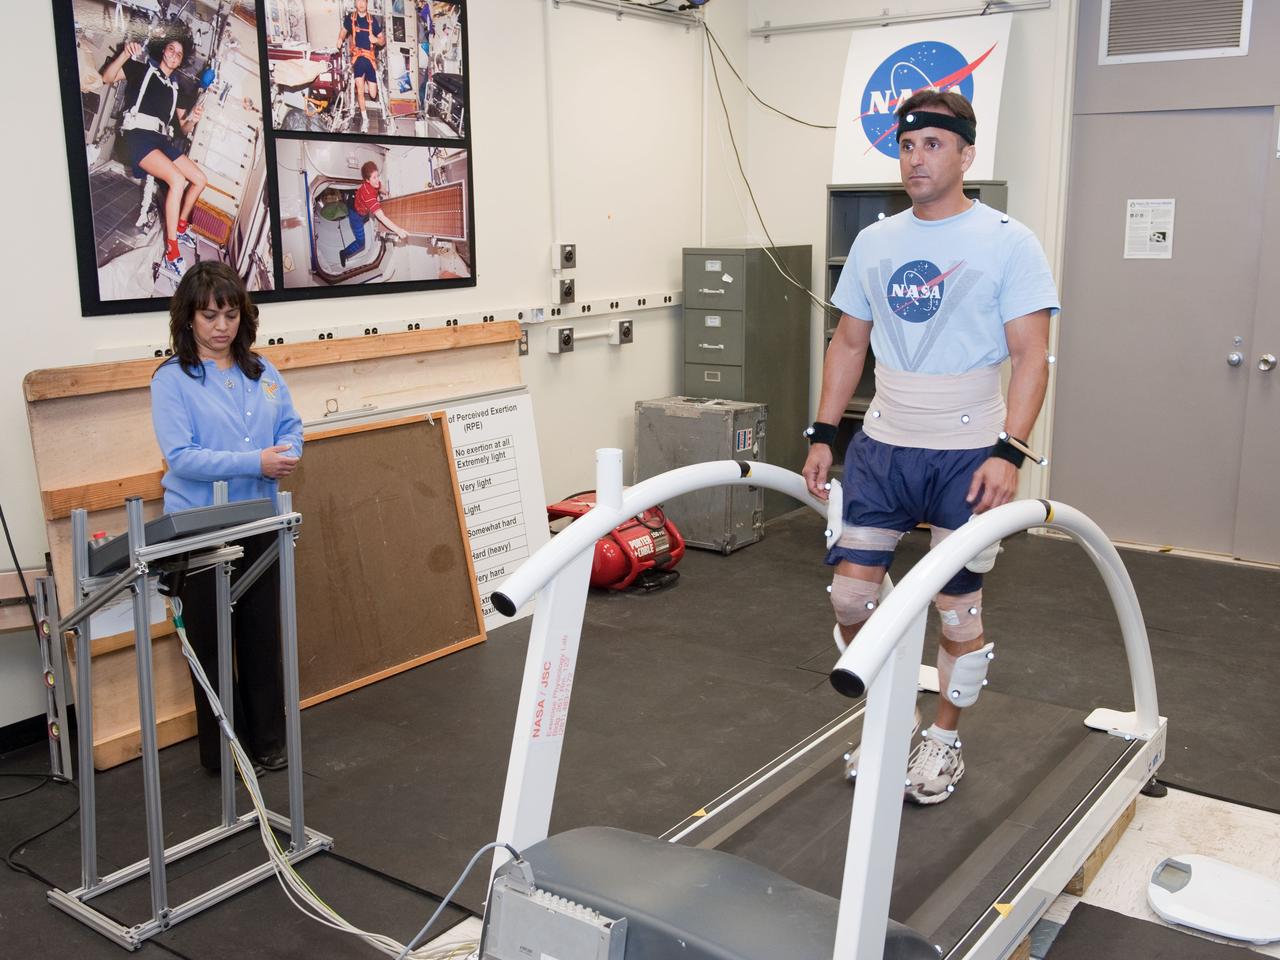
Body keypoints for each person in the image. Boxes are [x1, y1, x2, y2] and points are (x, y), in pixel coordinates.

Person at [802, 89, 1060, 804]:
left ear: (966, 153)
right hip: (884, 444)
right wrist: (825, 432)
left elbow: (1033, 355)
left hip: (968, 451)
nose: (916, 158)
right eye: (908, 145)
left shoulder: (1009, 240)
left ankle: (942, 741)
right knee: (851, 598)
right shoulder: (877, 242)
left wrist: (1010, 450)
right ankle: (894, 724)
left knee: (957, 612)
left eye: (934, 145)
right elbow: (849, 341)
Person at [151, 261, 303, 775]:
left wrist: (287, 450)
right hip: (199, 528)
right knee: (212, 646)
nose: (221, 326)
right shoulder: (171, 380)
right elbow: (183, 457)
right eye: (210, 315)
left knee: (262, 635)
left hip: (259, 521)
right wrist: (255, 462)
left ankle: (268, 739)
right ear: (189, 318)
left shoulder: (262, 371)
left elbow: (291, 426)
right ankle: (225, 753)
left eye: (230, 313)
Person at [101, 31, 209, 281]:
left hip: (161, 139)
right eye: (171, 48)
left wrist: (193, 118)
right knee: (177, 180)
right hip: (136, 137)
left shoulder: (175, 90)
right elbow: (107, 77)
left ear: (181, 61)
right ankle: (172, 255)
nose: (174, 54)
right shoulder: (141, 70)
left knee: (199, 179)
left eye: (179, 53)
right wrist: (124, 55)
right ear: (163, 50)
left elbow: (184, 128)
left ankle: (180, 227)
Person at [340, 160, 409, 267]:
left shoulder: (375, 183)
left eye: (377, 176)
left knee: (366, 216)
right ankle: (343, 253)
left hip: (362, 209)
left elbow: (380, 187)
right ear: (367, 180)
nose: (377, 180)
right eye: (374, 178)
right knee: (361, 243)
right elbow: (381, 217)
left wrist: (387, 193)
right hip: (355, 215)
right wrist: (398, 230)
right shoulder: (368, 195)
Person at [337, 0, 386, 133]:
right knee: (359, 90)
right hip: (358, 58)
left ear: (366, 2)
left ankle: (365, 82)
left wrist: (376, 40)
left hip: (370, 59)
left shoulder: (373, 21)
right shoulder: (351, 18)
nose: (361, 4)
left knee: (373, 93)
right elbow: (343, 31)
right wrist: (340, 39)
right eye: (358, 1)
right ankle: (365, 119)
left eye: (363, 1)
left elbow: (383, 39)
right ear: (355, 3)